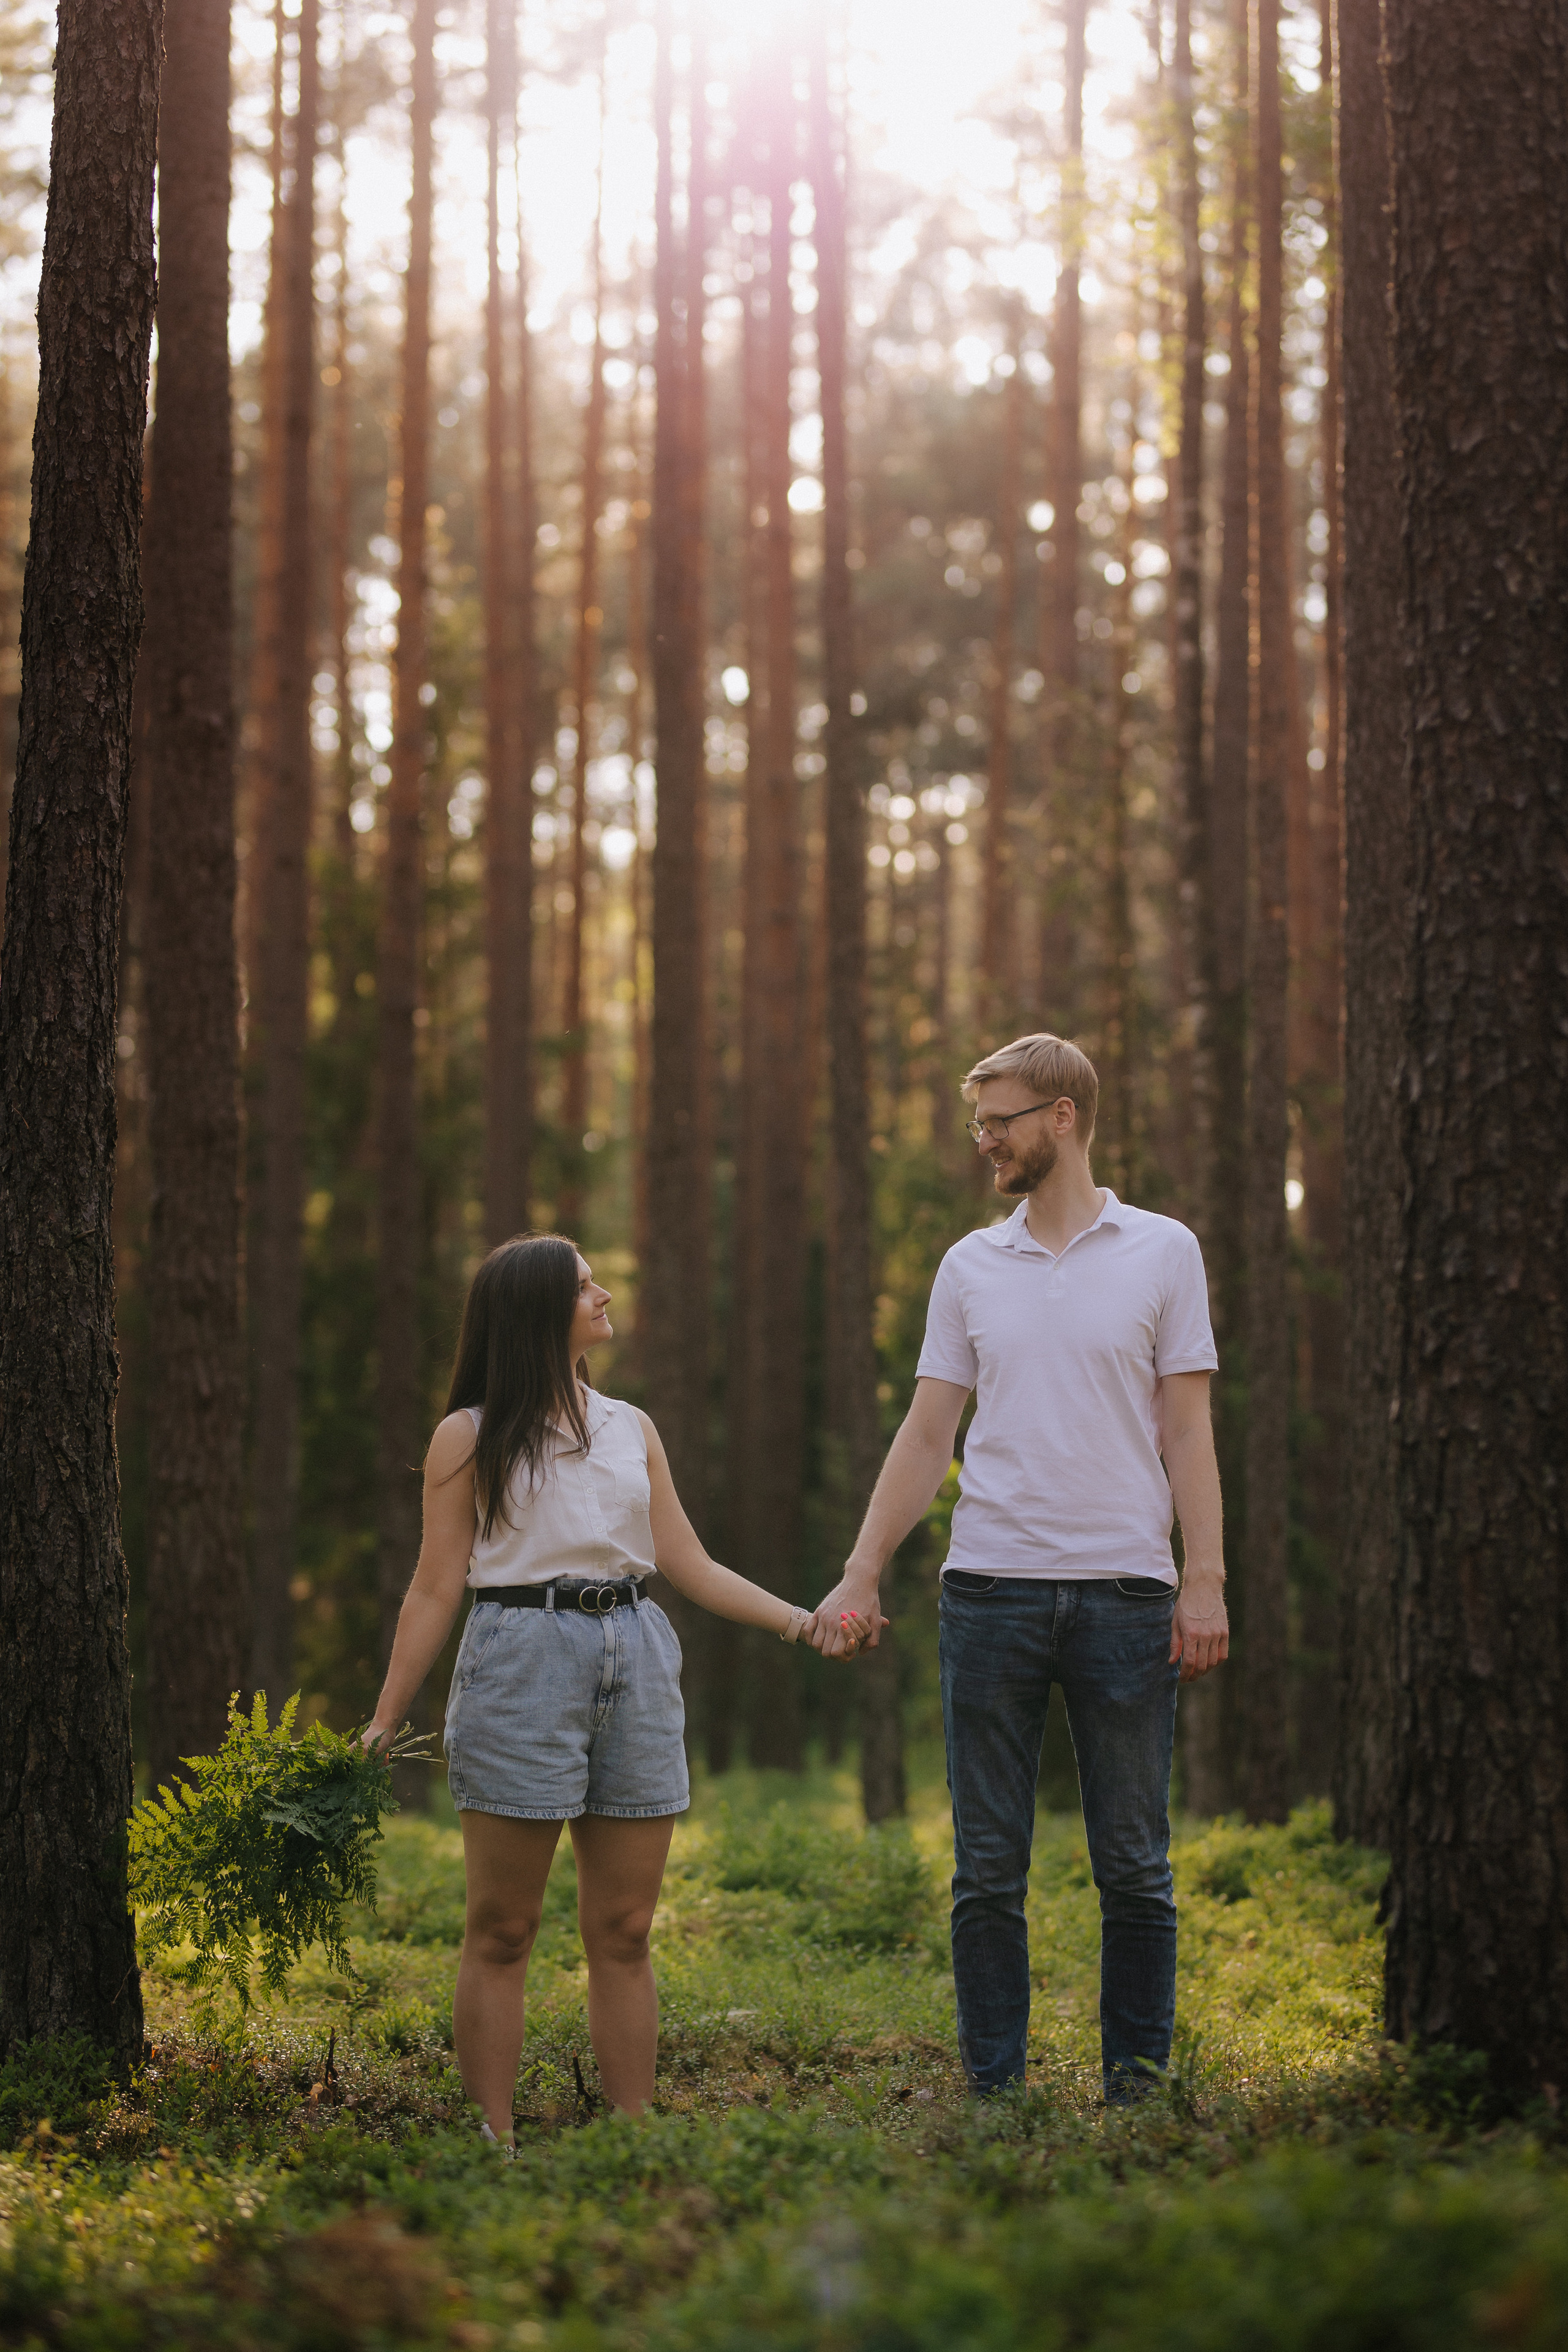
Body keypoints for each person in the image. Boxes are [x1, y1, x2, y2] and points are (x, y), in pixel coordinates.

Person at [365, 1233, 865, 2148]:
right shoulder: (467, 1435)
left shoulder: (631, 1427)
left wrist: (806, 1623)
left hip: (635, 1654)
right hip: (520, 1658)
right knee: (504, 1928)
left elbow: (690, 1564)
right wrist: (386, 1717)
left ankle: (634, 2143)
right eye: (584, 1284)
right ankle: (492, 2139)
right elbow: (436, 1584)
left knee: (627, 1928)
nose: (603, 1294)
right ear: (534, 1313)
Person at [814, 1033, 1228, 2102]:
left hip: (1128, 1596)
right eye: (978, 1122)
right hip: (988, 1593)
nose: (984, 1140)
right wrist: (862, 1571)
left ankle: (1136, 2094)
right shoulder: (969, 1265)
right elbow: (924, 1436)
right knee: (986, 1872)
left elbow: (1189, 1432)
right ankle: (995, 2095)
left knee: (1134, 1867)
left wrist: (1205, 1579)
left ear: (1064, 1116)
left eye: (999, 1119)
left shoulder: (1163, 1251)